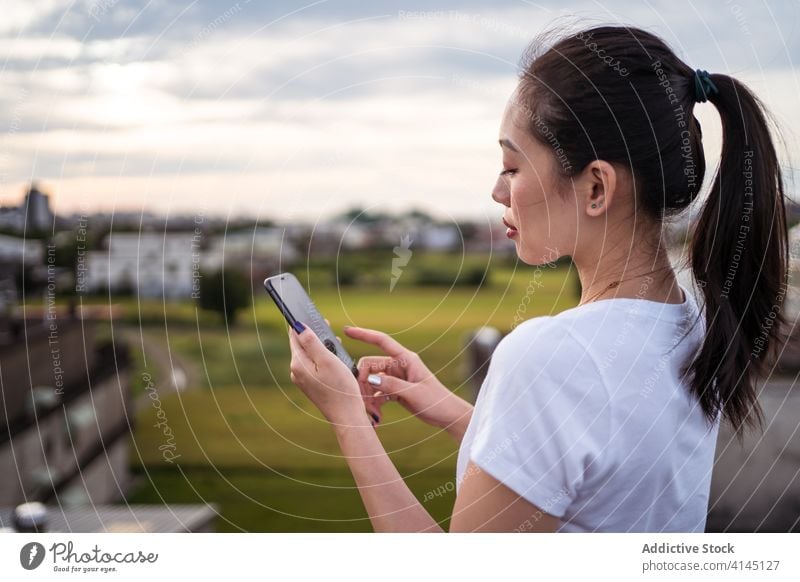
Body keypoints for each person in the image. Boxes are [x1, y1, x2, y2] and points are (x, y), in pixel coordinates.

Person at [286, 24, 788, 532]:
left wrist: (349, 419)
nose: (497, 191)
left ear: (597, 187)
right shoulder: (694, 322)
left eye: (511, 166)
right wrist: (459, 413)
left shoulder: (550, 358)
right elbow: (596, 477)